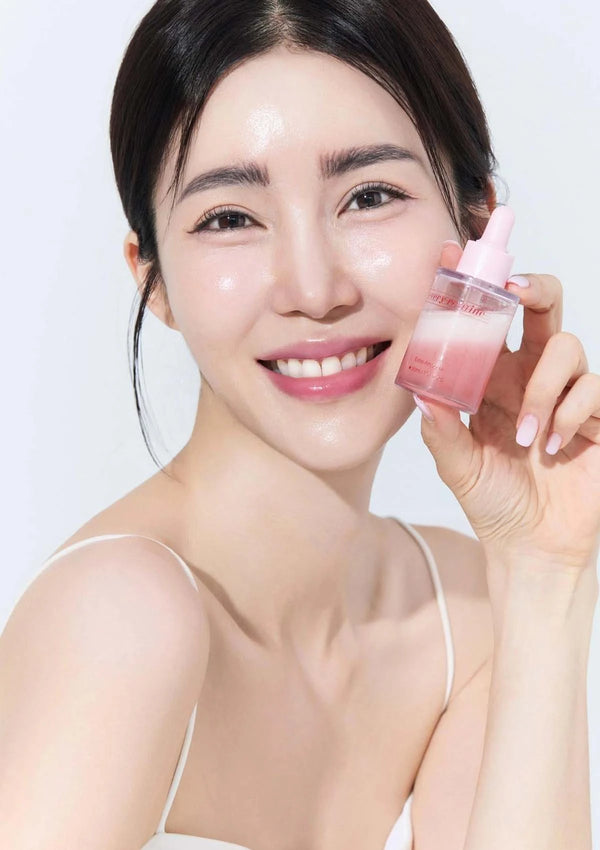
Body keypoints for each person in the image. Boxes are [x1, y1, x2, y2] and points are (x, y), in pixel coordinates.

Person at [1, 1, 598, 848]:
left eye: (370, 196)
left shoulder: (466, 610)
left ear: (474, 229)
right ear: (154, 280)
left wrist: (546, 573)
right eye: (230, 218)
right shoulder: (123, 620)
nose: (314, 289)